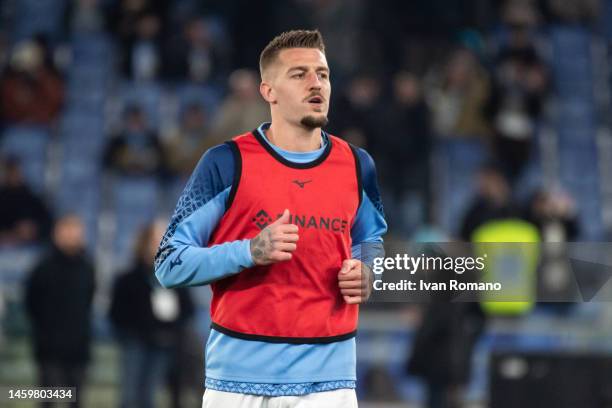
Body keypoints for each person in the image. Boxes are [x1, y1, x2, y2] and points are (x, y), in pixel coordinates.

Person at [154, 30, 387, 407]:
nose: (316, 84)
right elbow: (169, 263)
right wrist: (249, 251)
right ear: (268, 92)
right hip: (236, 383)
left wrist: (366, 273)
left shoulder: (359, 166)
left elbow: (369, 242)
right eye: (299, 74)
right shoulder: (225, 162)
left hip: (330, 383)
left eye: (323, 74)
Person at [110, 220, 194, 408]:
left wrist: (171, 331)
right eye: (157, 238)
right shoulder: (128, 279)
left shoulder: (176, 276)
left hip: (166, 343)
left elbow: (187, 309)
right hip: (136, 343)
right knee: (130, 396)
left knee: (150, 395)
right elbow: (117, 313)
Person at [25, 214, 95, 408]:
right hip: (50, 348)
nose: (71, 236)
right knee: (49, 400)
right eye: (67, 231)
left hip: (78, 348)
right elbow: (32, 303)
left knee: (76, 399)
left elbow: (88, 299)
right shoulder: (43, 267)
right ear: (57, 234)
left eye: (75, 231)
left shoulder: (87, 267)